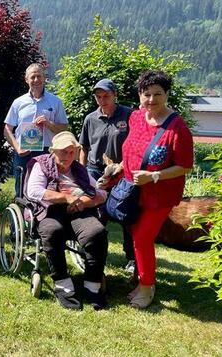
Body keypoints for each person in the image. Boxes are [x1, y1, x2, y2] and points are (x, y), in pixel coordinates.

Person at [121, 71, 193, 309]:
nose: (151, 99)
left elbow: (184, 166)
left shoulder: (177, 127)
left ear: (167, 94)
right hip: (134, 191)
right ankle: (142, 279)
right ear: (140, 95)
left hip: (159, 196)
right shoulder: (136, 118)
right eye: (146, 94)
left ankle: (146, 287)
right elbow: (131, 149)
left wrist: (154, 175)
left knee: (142, 238)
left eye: (157, 94)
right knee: (136, 237)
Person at [24, 131, 108, 310]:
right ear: (53, 151)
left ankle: (92, 284)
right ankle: (63, 283)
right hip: (51, 211)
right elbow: (34, 191)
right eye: (63, 151)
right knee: (53, 231)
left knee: (97, 232)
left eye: (72, 152)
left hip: (78, 210)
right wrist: (65, 198)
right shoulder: (41, 164)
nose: (68, 156)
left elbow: (101, 193)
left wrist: (85, 202)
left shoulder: (79, 169)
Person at [78, 79, 136, 274]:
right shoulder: (90, 119)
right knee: (95, 213)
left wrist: (123, 167)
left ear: (115, 95)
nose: (102, 100)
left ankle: (131, 257)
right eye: (98, 96)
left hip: (122, 171)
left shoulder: (128, 115)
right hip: (96, 170)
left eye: (106, 96)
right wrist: (82, 172)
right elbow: (84, 147)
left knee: (126, 213)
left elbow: (136, 145)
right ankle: (93, 253)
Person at [4, 63, 68, 196]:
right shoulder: (18, 102)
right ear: (26, 79)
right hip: (24, 152)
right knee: (21, 188)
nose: (36, 80)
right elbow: (7, 129)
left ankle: (43, 216)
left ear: (44, 78)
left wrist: (49, 124)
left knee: (46, 188)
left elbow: (64, 129)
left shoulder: (55, 102)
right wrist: (17, 148)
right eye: (32, 77)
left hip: (47, 151)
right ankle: (22, 215)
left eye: (39, 76)